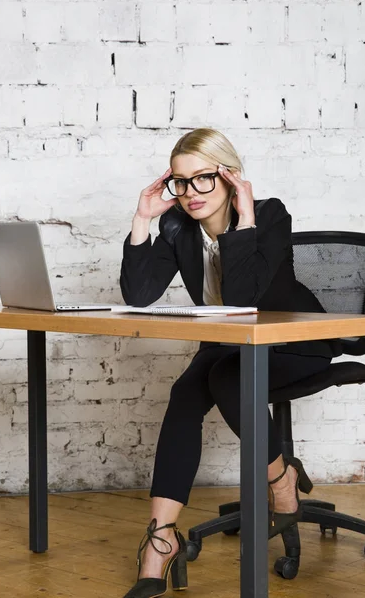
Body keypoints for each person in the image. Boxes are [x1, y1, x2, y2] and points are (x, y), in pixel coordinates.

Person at [119, 128, 341, 598]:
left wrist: (243, 218)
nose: (190, 193)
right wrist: (143, 220)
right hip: (230, 349)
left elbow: (243, 298)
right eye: (179, 182)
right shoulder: (177, 228)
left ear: (228, 176)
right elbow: (139, 294)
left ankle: (279, 479)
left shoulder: (269, 216)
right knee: (187, 394)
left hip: (293, 345)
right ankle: (160, 542)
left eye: (203, 179)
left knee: (226, 376)